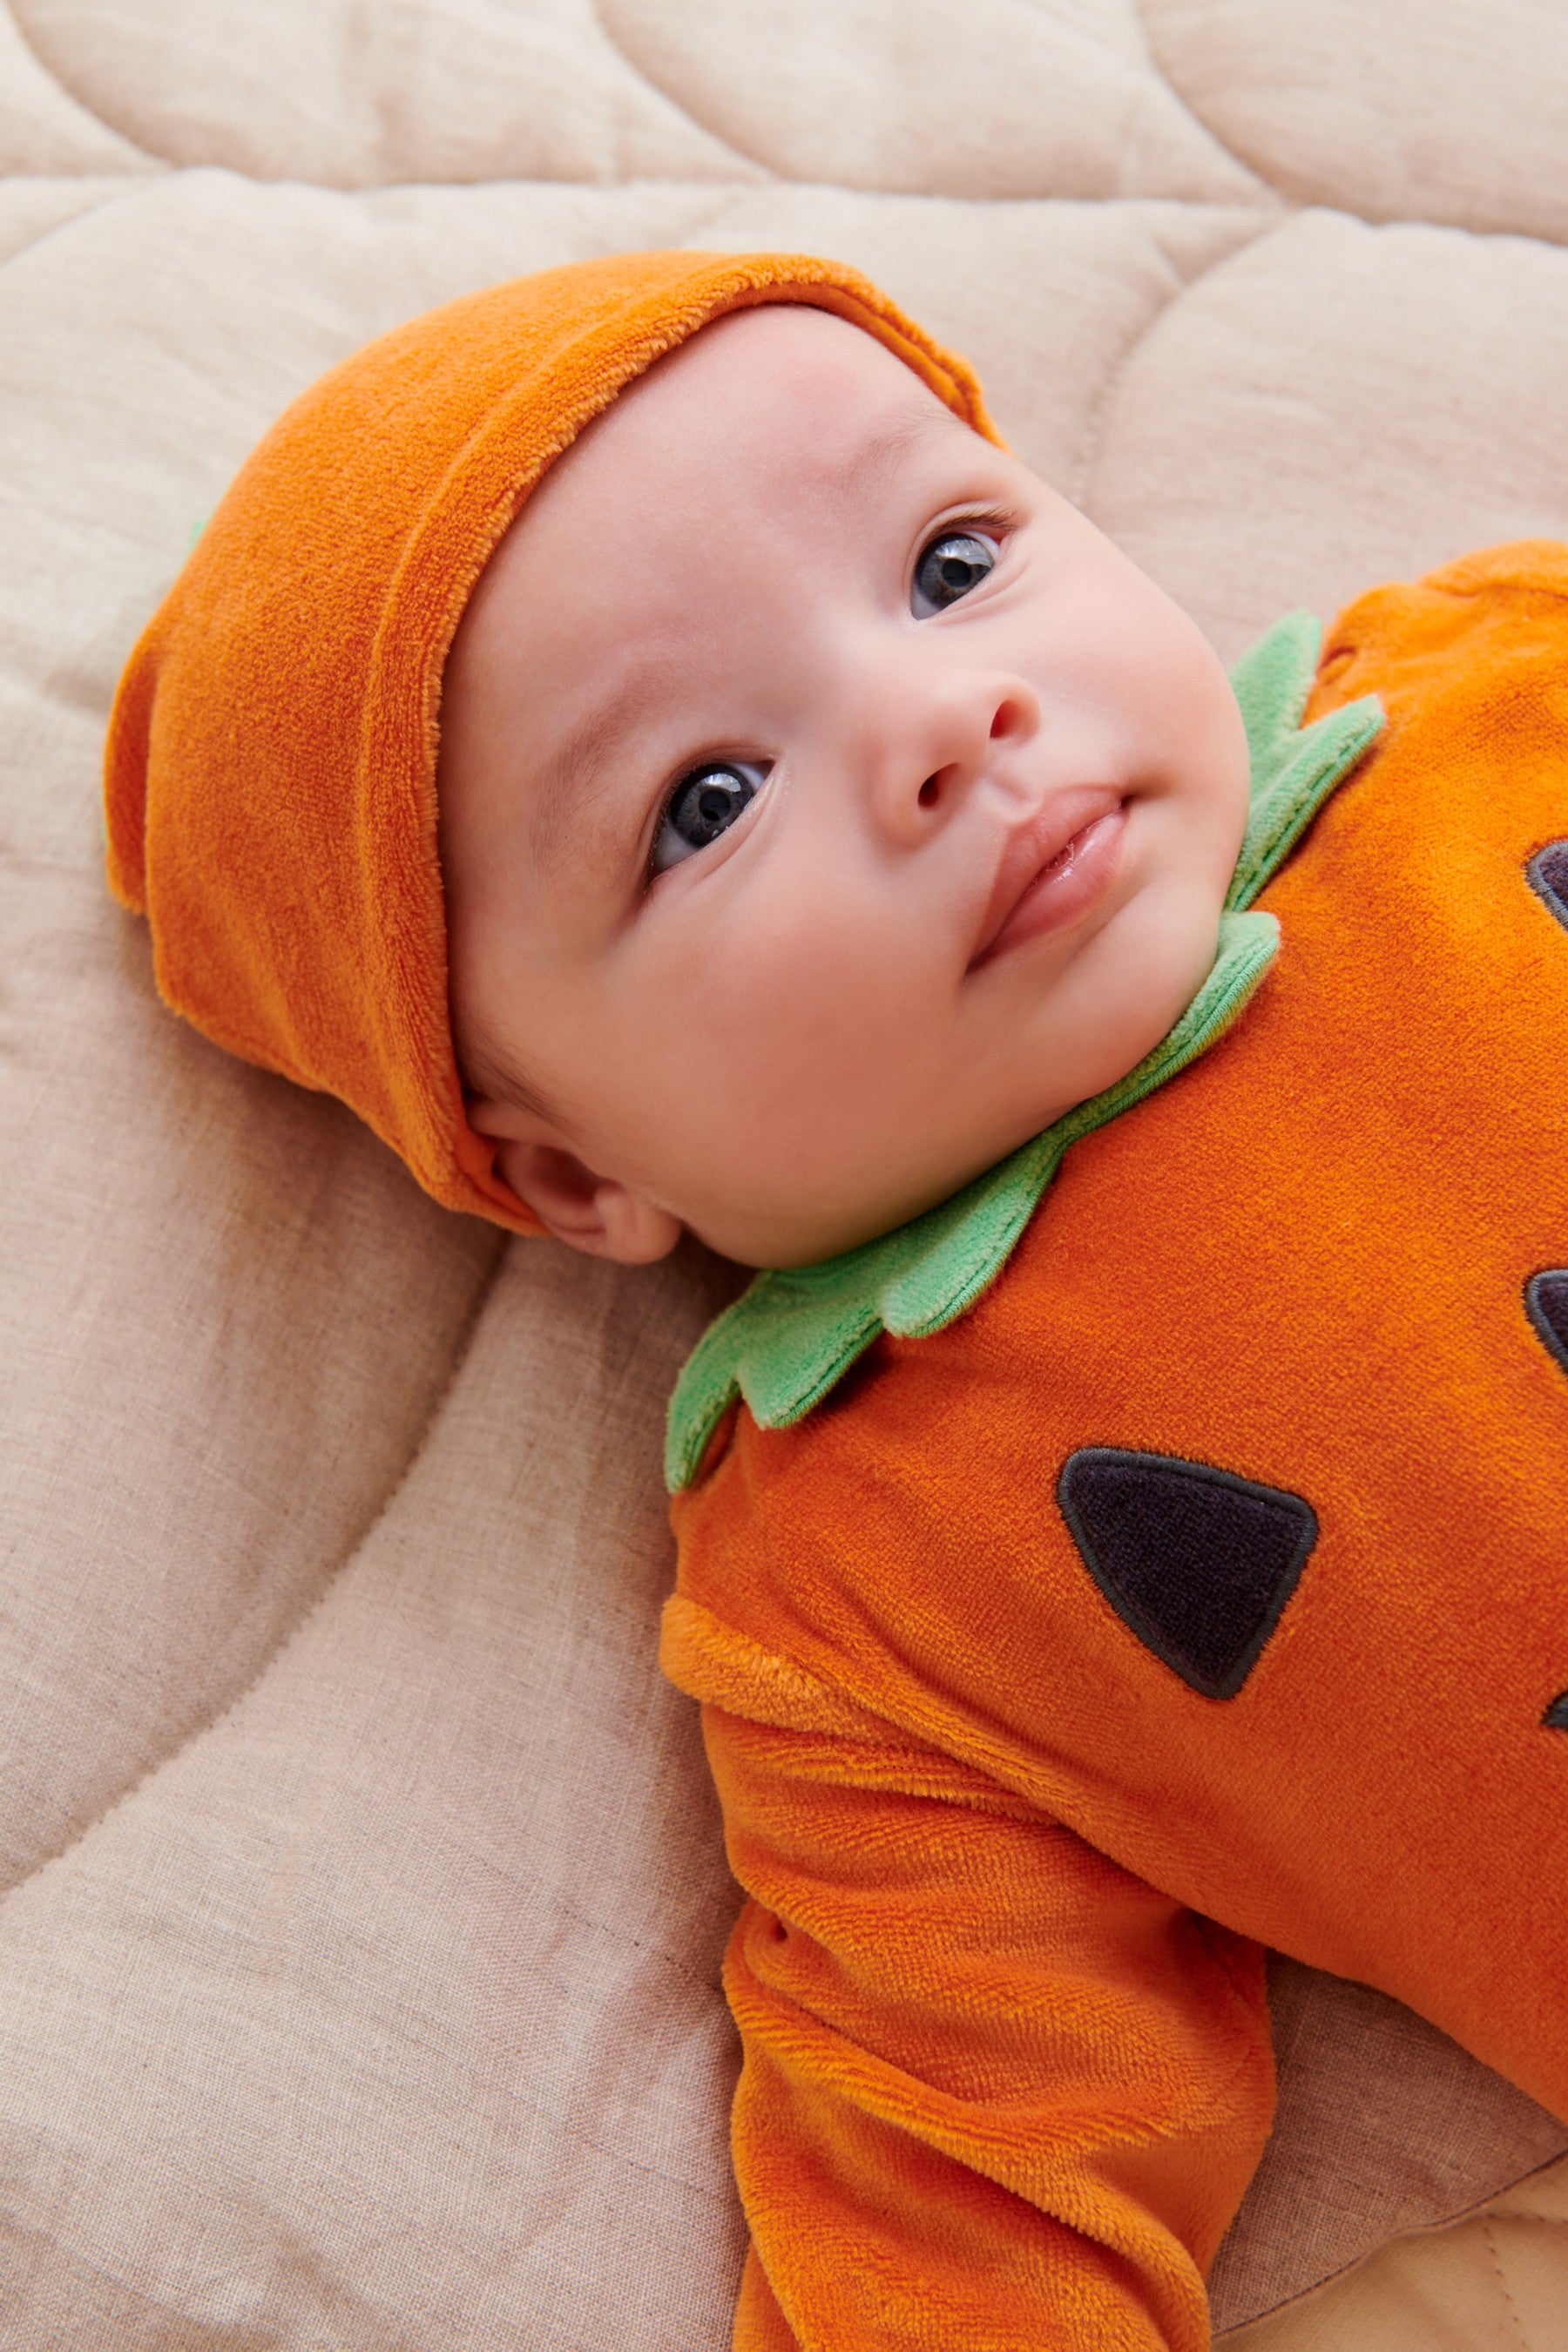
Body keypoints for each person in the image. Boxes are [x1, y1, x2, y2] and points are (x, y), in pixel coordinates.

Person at [105, 249, 1568, 2350]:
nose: (941, 718)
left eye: (955, 559)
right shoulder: (866, 1585)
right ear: (569, 1171)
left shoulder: (1494, 687)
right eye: (706, 803)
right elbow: (957, 2163)